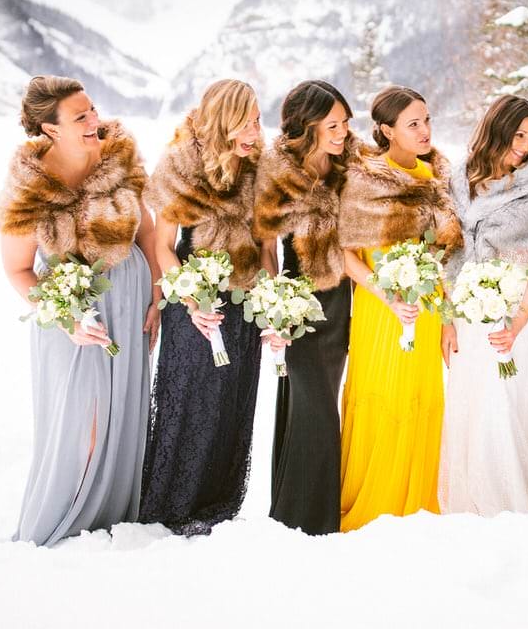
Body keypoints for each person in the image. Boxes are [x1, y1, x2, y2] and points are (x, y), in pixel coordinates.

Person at [0, 75, 156, 546]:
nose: (95, 121)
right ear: (50, 129)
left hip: (129, 298)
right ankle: (62, 528)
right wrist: (66, 316)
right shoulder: (28, 187)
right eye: (81, 116)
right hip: (71, 311)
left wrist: (157, 296)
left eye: (93, 109)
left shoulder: (118, 154)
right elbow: (18, 269)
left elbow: (146, 232)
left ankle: (111, 523)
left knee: (121, 416)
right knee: (81, 423)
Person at [139, 79, 272, 536]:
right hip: (192, 303)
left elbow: (264, 241)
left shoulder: (257, 166)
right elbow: (163, 247)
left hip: (242, 306)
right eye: (250, 119)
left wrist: (271, 298)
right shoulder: (179, 166)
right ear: (226, 119)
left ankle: (216, 505)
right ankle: (171, 508)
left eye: (257, 118)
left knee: (232, 402)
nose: (258, 128)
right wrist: (192, 300)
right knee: (192, 402)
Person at [336, 85, 462, 531]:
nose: (425, 130)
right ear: (387, 131)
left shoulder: (437, 180)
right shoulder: (365, 178)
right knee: (382, 396)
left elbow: (445, 259)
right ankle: (376, 502)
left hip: (426, 311)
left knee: (422, 397)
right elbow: (347, 255)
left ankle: (418, 501)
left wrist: (447, 320)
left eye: (427, 119)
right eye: (413, 123)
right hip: (378, 310)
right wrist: (386, 294)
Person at [439, 95, 528, 516]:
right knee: (469, 397)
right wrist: (448, 319)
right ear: (497, 127)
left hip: (516, 308)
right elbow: (450, 254)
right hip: (467, 309)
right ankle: (467, 503)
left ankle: (509, 504)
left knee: (505, 397)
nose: (525, 145)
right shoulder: (460, 179)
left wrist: (518, 319)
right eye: (519, 134)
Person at [253, 80, 358, 535]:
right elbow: (265, 248)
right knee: (313, 404)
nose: (343, 132)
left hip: (342, 299)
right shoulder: (276, 172)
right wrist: (273, 305)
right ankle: (310, 519)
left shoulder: (352, 165)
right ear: (307, 127)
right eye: (333, 125)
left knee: (313, 402)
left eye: (346, 123)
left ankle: (294, 508)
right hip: (298, 301)